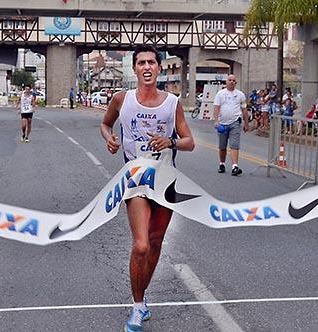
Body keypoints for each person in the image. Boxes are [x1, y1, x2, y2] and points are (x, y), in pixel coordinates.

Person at [100, 45, 194, 332]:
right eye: (141, 62)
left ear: (159, 68)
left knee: (154, 243)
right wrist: (110, 139)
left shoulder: (171, 103)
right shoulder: (121, 99)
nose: (147, 67)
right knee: (140, 245)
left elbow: (189, 141)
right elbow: (105, 125)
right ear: (135, 68)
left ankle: (142, 301)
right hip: (137, 180)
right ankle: (137, 306)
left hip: (165, 182)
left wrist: (172, 142)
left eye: (152, 62)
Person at [213, 74, 249, 176]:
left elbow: (244, 110)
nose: (231, 82)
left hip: (235, 123)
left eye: (233, 80)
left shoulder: (240, 95)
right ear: (226, 82)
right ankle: (222, 163)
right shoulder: (220, 94)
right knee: (222, 147)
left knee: (234, 146)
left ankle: (235, 166)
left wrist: (246, 123)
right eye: (230, 80)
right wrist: (216, 121)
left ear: (236, 83)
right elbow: (216, 108)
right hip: (222, 124)